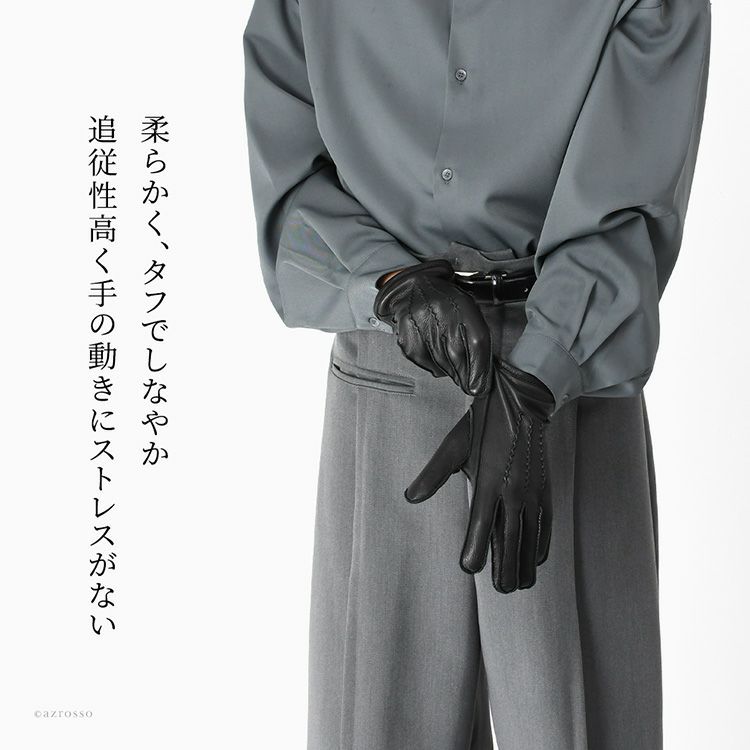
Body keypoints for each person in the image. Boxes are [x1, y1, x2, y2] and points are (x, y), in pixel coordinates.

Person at [242, 0, 711, 747]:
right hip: (394, 361)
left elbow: (631, 200)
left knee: (580, 727)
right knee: (374, 725)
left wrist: (534, 383)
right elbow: (288, 174)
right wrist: (391, 285)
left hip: (568, 385)